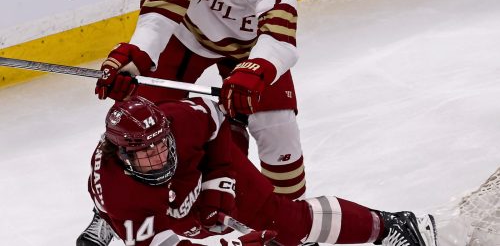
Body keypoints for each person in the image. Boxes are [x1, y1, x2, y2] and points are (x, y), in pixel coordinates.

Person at [76, 96, 438, 246]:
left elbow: (215, 118)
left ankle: (391, 226)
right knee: (188, 229)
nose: (159, 156)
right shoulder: (123, 197)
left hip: (197, 167)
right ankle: (103, 218)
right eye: (146, 153)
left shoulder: (180, 122)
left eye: (161, 145)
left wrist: (219, 187)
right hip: (148, 207)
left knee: (284, 219)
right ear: (122, 154)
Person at [94, 0, 306, 199]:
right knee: (137, 124)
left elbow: (278, 38)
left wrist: (256, 70)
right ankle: (107, 208)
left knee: (278, 128)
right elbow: (159, 13)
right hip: (186, 38)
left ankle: (291, 216)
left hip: (252, 49)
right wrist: (139, 53)